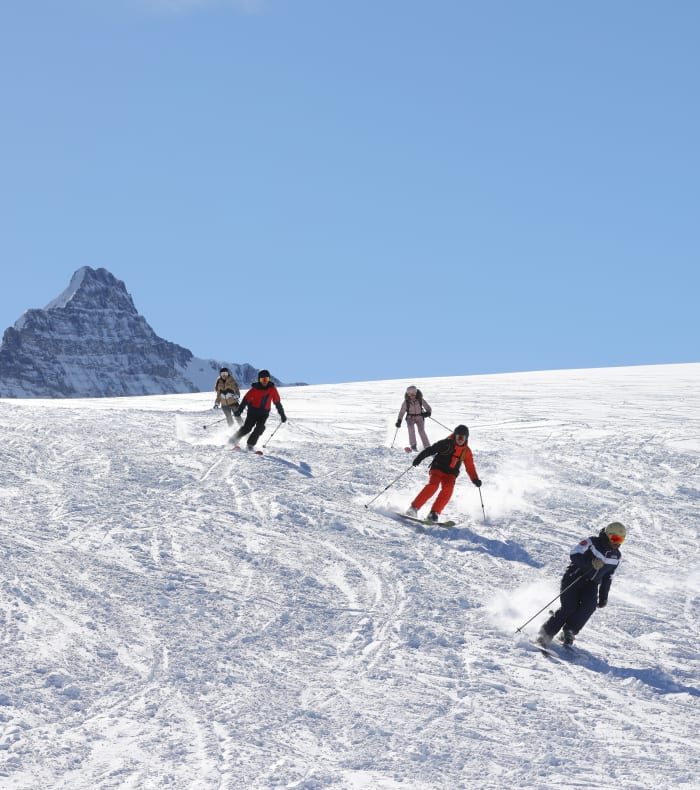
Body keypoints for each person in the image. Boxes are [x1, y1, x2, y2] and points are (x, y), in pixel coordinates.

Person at [537, 522, 626, 648]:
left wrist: (603, 596)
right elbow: (574, 554)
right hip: (575, 577)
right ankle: (545, 634)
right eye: (615, 538)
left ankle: (569, 631)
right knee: (569, 607)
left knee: (589, 607)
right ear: (608, 535)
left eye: (620, 540)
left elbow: (608, 577)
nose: (617, 543)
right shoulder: (592, 542)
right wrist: (591, 562)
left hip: (591, 584)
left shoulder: (616, 556)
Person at [406, 424, 481, 522]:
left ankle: (434, 513)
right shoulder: (446, 443)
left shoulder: (466, 451)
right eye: (458, 437)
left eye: (462, 438)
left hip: (450, 474)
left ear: (466, 438)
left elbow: (470, 467)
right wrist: (419, 458)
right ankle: (413, 508)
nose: (460, 440)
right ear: (455, 436)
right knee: (433, 485)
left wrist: (475, 479)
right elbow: (431, 450)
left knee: (448, 489)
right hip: (438, 469)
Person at [232, 369, 287, 450]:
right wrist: (239, 411)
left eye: (266, 379)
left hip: (264, 414)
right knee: (247, 428)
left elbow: (277, 403)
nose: (264, 382)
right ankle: (233, 440)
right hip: (253, 412)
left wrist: (282, 415)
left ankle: (250, 444)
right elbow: (245, 400)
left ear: (269, 379)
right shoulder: (255, 389)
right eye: (262, 379)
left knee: (260, 428)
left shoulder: (272, 389)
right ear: (259, 380)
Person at [395, 385, 432, 451]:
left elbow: (428, 407)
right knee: (411, 429)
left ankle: (427, 446)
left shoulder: (420, 400)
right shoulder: (406, 402)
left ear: (416, 393)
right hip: (410, 418)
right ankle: (413, 445)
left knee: (421, 431)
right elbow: (402, 412)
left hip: (420, 417)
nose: (411, 396)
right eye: (409, 394)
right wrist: (399, 420)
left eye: (413, 394)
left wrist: (428, 413)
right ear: (407, 394)